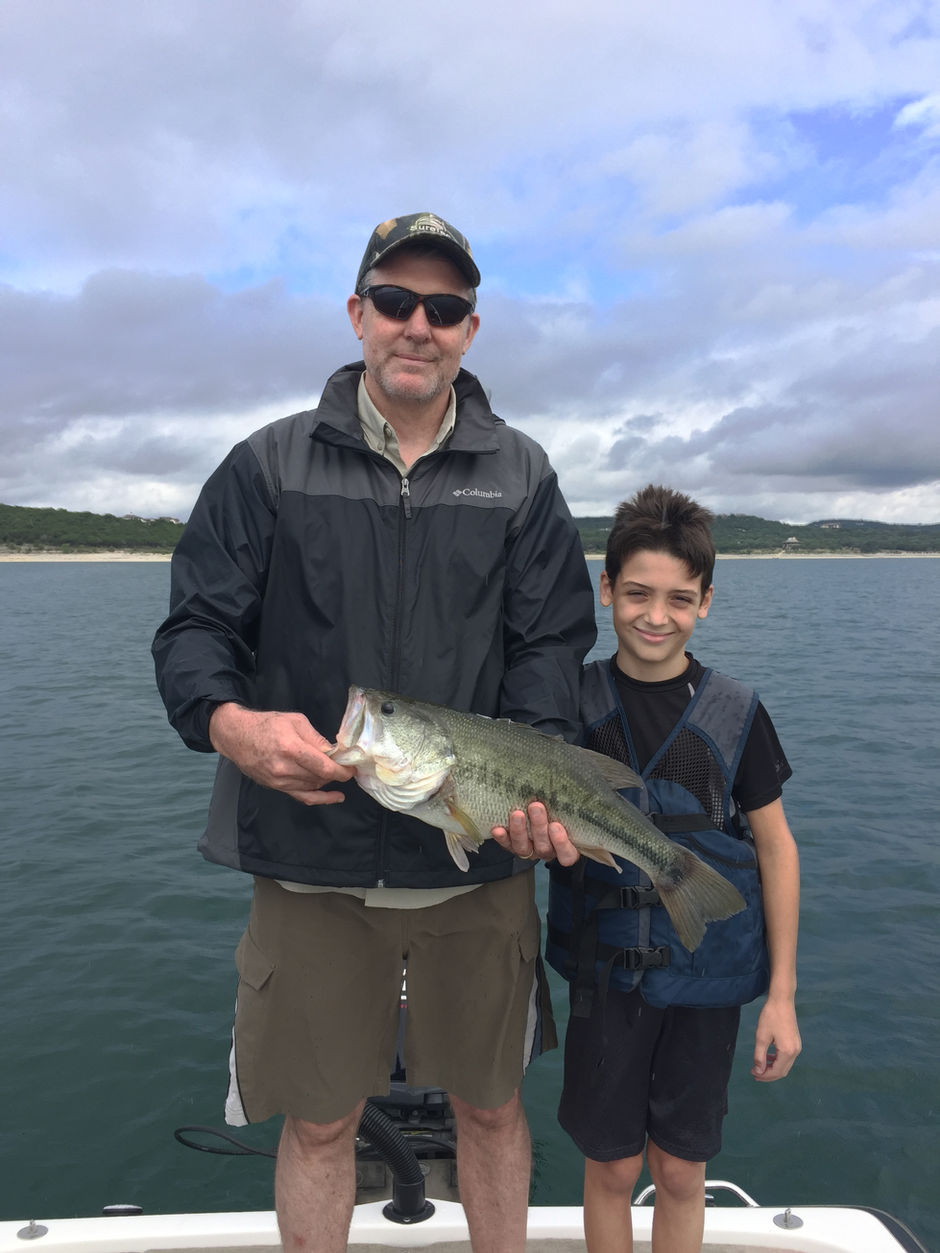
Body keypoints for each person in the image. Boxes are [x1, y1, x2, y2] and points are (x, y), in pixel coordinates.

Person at [151, 211, 595, 1253]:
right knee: (318, 1122)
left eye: (443, 308)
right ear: (357, 313)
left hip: (477, 867)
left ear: (470, 330)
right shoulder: (267, 464)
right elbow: (196, 628)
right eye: (395, 301)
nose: (417, 325)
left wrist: (532, 777)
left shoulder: (522, 476)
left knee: (492, 1108)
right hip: (310, 861)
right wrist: (230, 725)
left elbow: (550, 645)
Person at [497, 484, 801, 1253]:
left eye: (678, 598)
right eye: (637, 593)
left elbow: (776, 847)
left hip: (707, 983)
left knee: (680, 1171)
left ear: (706, 602)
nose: (655, 615)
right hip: (607, 978)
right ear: (606, 590)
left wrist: (782, 996)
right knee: (609, 1167)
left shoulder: (738, 711)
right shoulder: (571, 704)